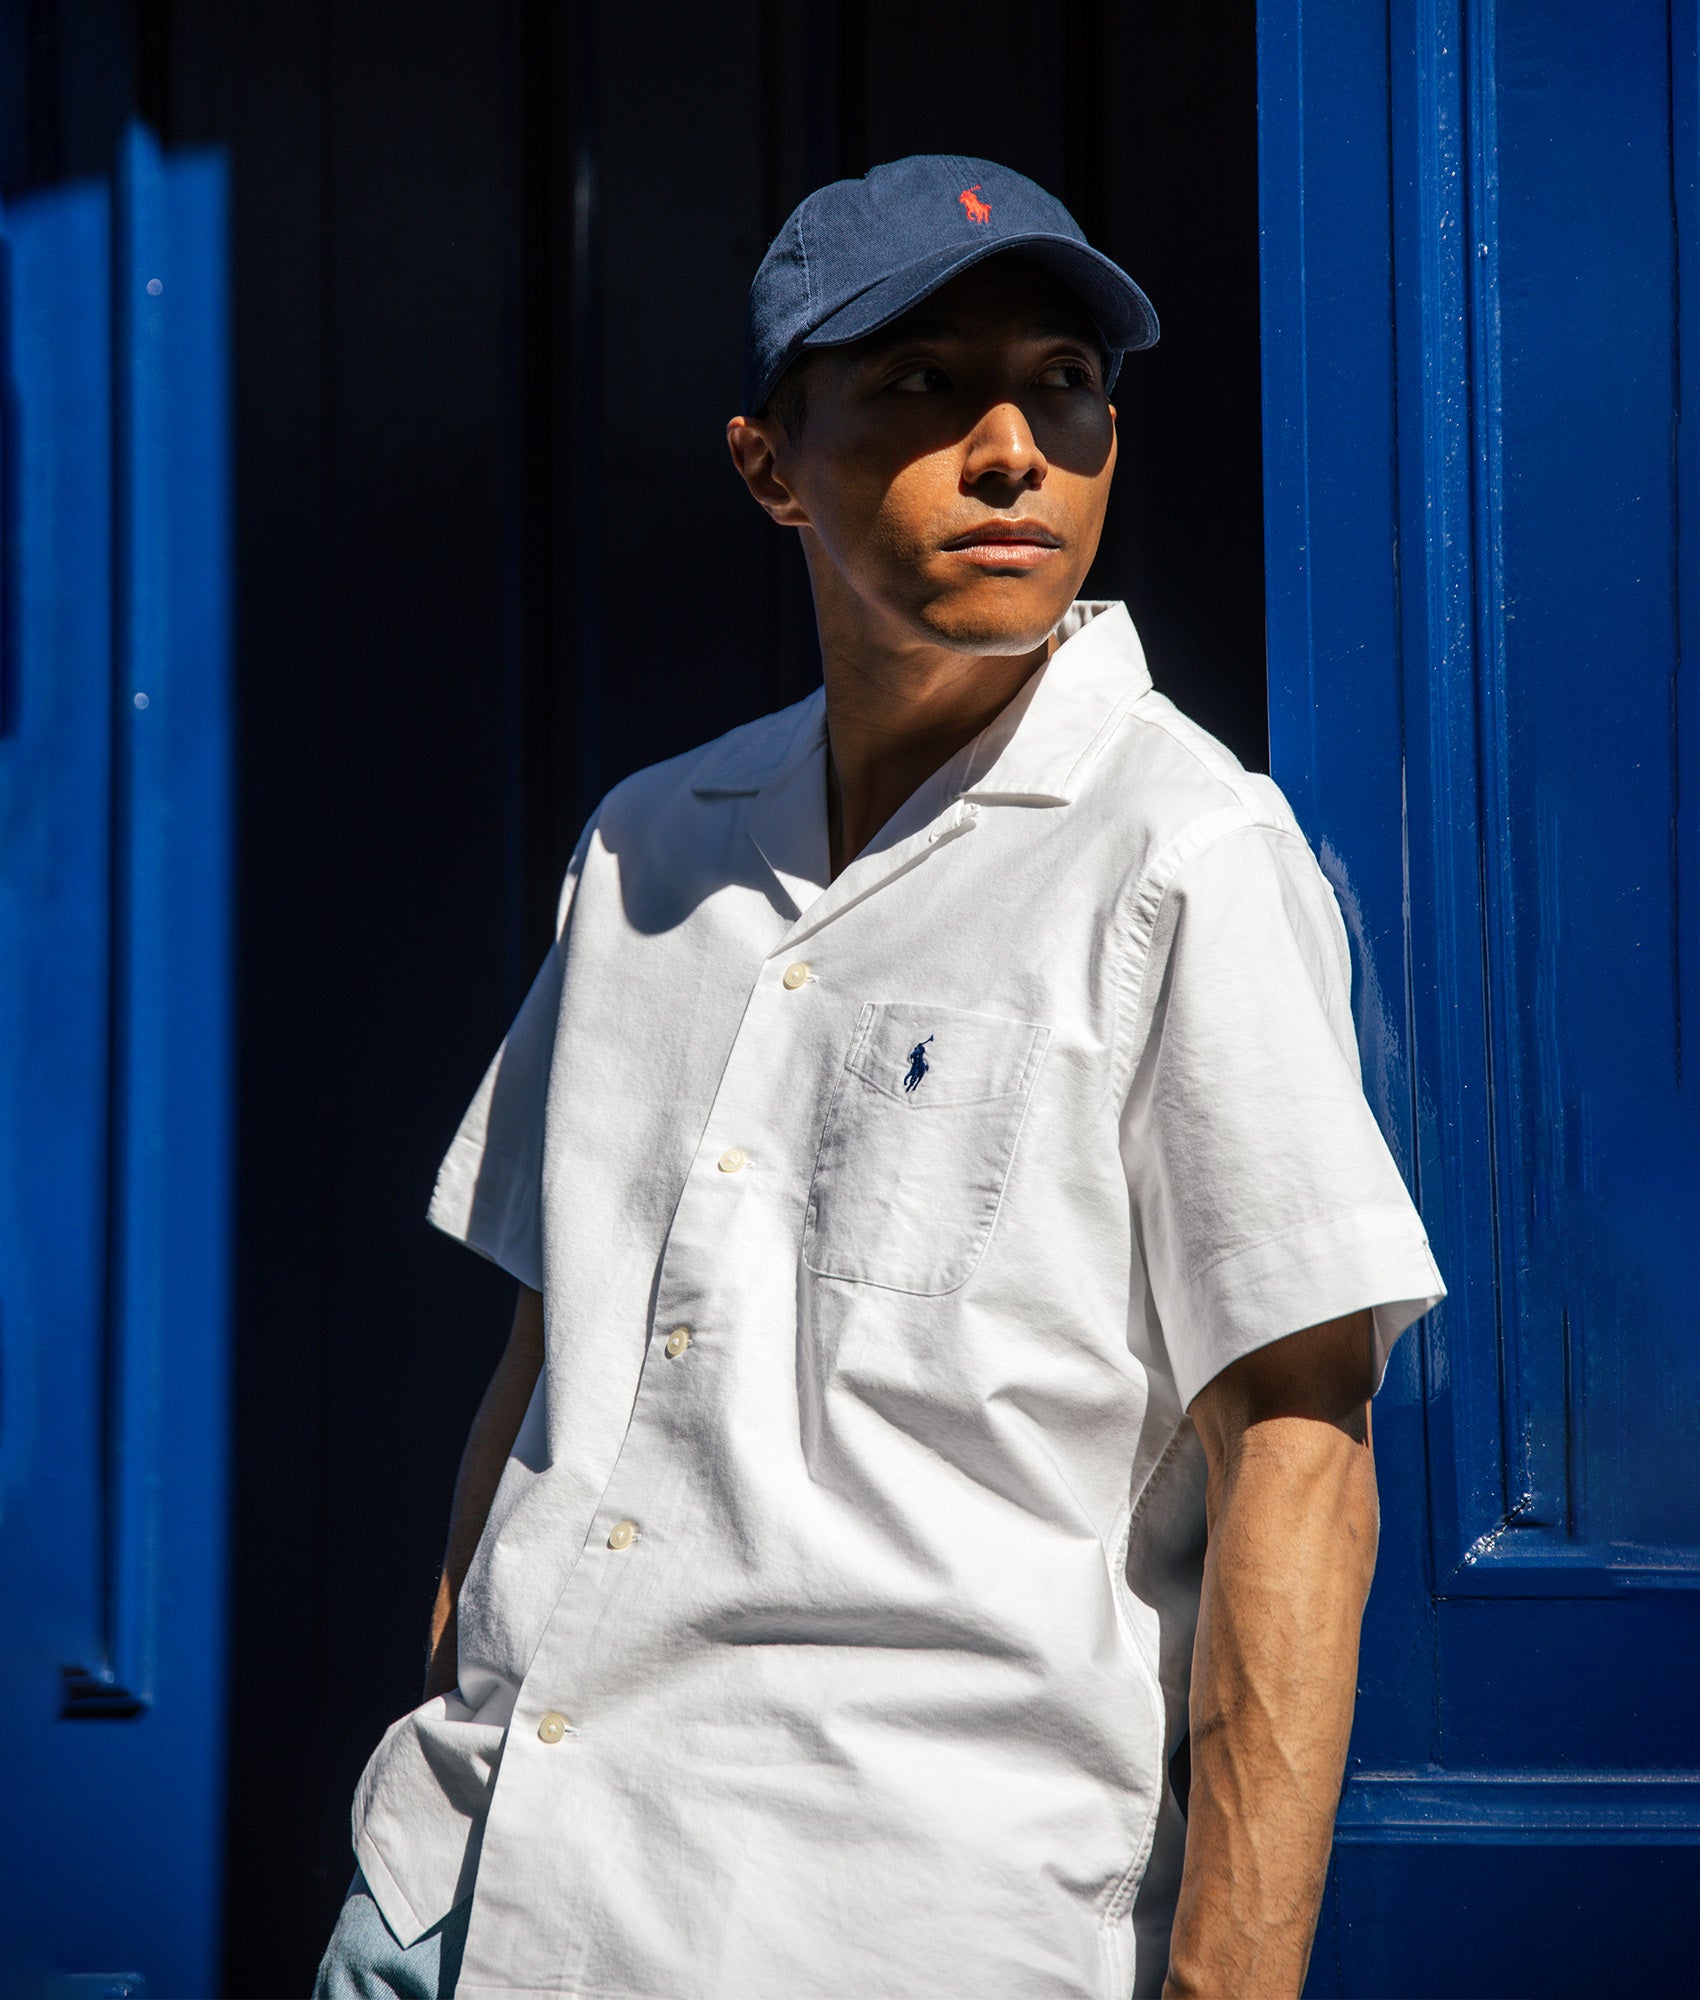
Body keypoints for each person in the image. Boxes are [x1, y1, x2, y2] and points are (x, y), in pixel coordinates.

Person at [317, 155, 1443, 2000]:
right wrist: (448, 1733)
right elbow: (546, 1359)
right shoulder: (649, 844)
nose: (1013, 445)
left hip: (865, 1916)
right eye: (925, 383)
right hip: (460, 1889)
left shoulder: (1181, 851)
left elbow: (1302, 1464)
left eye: (1063, 385)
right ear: (772, 463)